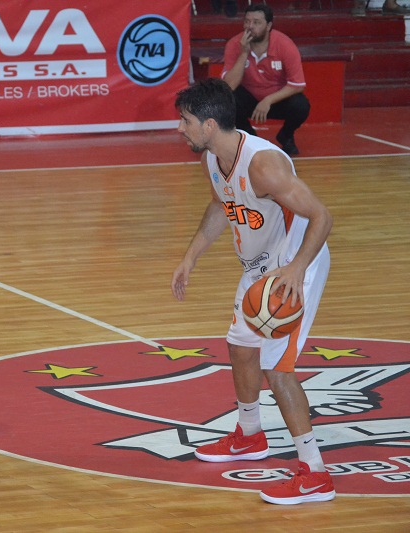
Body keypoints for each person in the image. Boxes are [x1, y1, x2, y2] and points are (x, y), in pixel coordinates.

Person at [172, 78, 335, 505]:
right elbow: (220, 205)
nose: (180, 128)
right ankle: (249, 435)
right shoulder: (212, 158)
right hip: (259, 267)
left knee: (277, 368)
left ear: (209, 124)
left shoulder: (263, 164)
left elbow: (321, 216)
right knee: (241, 347)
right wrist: (191, 257)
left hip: (296, 264)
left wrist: (296, 269)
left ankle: (315, 473)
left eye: (185, 120)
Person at [221, 4, 309, 156]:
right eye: (247, 21)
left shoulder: (285, 45)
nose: (250, 27)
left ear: (268, 26)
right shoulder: (234, 44)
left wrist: (268, 100)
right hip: (248, 98)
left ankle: (286, 135)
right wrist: (243, 54)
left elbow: (297, 84)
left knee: (301, 105)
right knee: (227, 99)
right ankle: (250, 139)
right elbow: (228, 86)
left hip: (275, 100)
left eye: (256, 22)